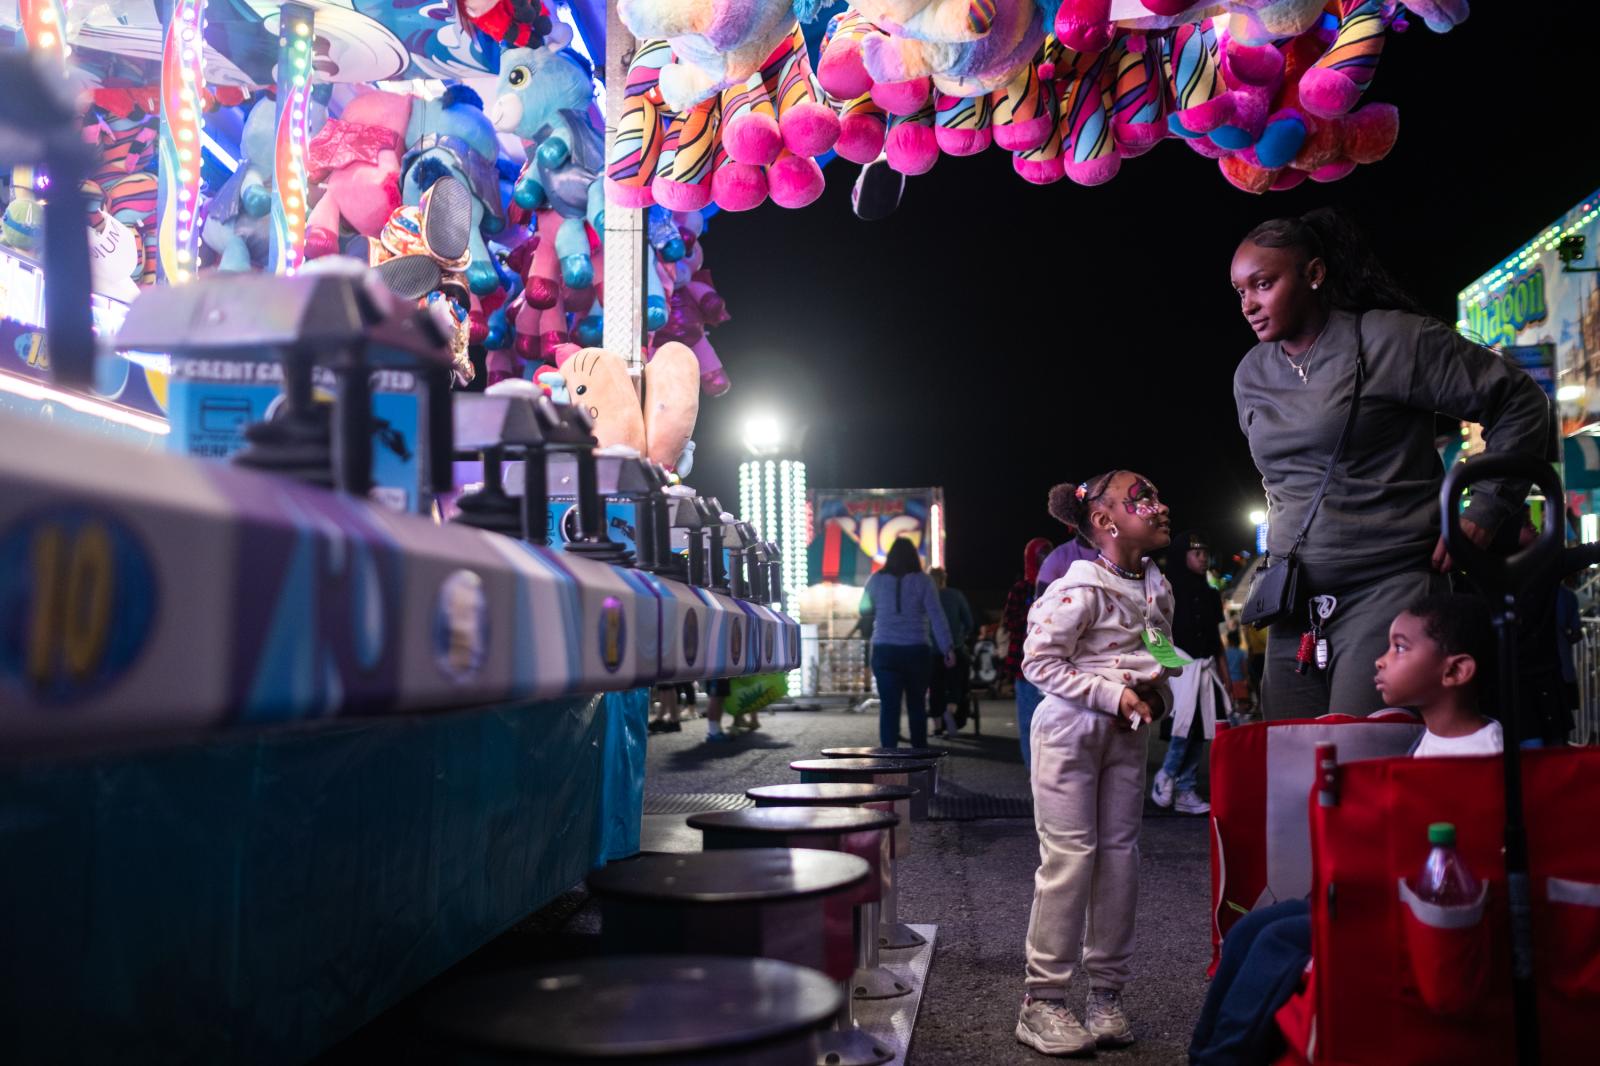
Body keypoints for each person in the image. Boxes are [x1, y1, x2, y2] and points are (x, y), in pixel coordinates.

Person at [1231, 208, 1549, 720]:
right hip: (1293, 603)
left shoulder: (1392, 340)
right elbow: (1282, 484)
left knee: (1363, 763)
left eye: (1263, 284)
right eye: (1240, 291)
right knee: (1288, 776)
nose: (1248, 304)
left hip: (1387, 590)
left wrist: (1487, 509)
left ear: (1314, 274)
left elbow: (1521, 403)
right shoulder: (1250, 374)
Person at [1188, 593, 1503, 1065]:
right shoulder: (1428, 735)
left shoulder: (1486, 753)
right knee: (1248, 929)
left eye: (1399, 648)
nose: (1380, 659)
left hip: (1422, 919)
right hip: (1380, 896)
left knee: (1276, 941)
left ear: (1455, 671)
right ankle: (1205, 1053)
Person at [1015, 470, 1176, 1056]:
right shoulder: (1077, 587)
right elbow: (1040, 663)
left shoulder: (1156, 587)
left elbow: (1162, 655)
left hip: (1126, 736)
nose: (1160, 507)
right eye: (1144, 500)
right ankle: (1044, 1002)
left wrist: (1159, 694)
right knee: (1069, 860)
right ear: (1107, 522)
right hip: (1069, 734)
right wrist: (1113, 695)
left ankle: (1106, 994)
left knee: (1118, 860)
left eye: (1156, 497)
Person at [1152, 532, 1229, 816]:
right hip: (1180, 668)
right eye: (1197, 553)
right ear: (1182, 557)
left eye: (1205, 553)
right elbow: (1153, 629)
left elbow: (1216, 638)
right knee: (1183, 727)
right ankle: (1168, 776)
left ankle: (1185, 788)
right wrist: (1164, 665)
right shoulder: (1166, 588)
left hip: (1206, 669)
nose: (1203, 558)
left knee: (1200, 729)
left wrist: (1226, 678)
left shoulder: (1211, 594)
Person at [860, 538, 955, 749]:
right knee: (917, 706)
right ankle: (918, 761)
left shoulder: (875, 580)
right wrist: (947, 647)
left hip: (884, 649)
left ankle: (889, 759)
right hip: (917, 650)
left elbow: (863, 609)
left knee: (889, 708)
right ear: (914, 556)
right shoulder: (924, 581)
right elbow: (936, 615)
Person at [1002, 537, 1055, 767]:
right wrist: (1035, 613)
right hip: (1024, 665)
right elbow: (1010, 621)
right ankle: (1033, 770)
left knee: (1054, 723)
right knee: (1028, 721)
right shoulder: (1021, 588)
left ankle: (1050, 769)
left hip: (1053, 665)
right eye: (1041, 555)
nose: (1046, 559)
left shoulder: (1057, 585)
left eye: (1048, 554)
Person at [928, 567, 975, 737]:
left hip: (932, 651)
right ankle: (951, 709)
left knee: (935, 688)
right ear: (944, 579)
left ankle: (937, 726)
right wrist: (961, 635)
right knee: (956, 684)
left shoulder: (927, 597)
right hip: (955, 649)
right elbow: (969, 622)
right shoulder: (956, 595)